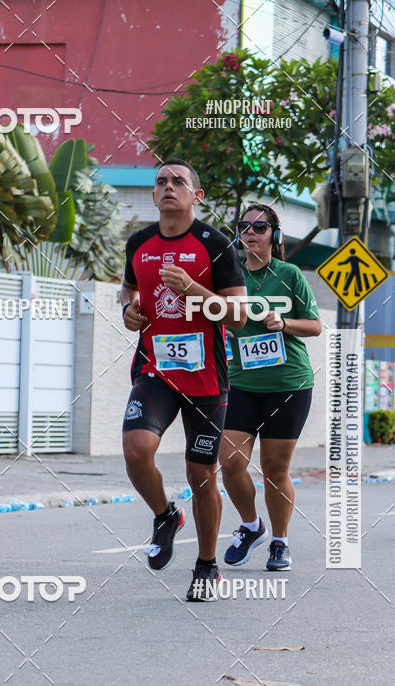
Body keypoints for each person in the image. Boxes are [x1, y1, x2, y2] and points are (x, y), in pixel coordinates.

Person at [122, 159, 247, 600]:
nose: (169, 186)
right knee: (137, 450)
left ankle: (207, 564)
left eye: (179, 181)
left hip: (207, 379)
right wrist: (129, 311)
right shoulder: (138, 242)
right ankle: (164, 515)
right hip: (155, 370)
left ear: (196, 195)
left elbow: (238, 312)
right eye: (161, 182)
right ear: (154, 197)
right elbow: (130, 293)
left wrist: (194, 289)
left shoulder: (215, 244)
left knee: (201, 475)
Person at [219, 204, 321, 572]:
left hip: (288, 384)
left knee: (274, 469)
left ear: (274, 234)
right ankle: (251, 526)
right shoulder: (228, 276)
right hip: (242, 383)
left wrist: (285, 323)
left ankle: (280, 542)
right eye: (244, 226)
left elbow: (315, 326)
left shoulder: (289, 274)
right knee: (230, 463)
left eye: (259, 226)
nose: (250, 231)